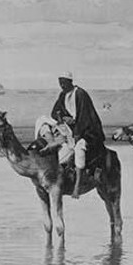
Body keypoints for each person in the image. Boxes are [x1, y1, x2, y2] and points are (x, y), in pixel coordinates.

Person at [50, 71, 105, 199]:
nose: (62, 85)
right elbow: (54, 112)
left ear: (70, 81)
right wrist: (63, 118)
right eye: (60, 82)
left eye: (64, 82)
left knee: (79, 149)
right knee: (61, 153)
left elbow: (86, 117)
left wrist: (77, 129)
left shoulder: (80, 94)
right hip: (71, 132)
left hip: (88, 132)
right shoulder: (63, 95)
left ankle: (77, 186)